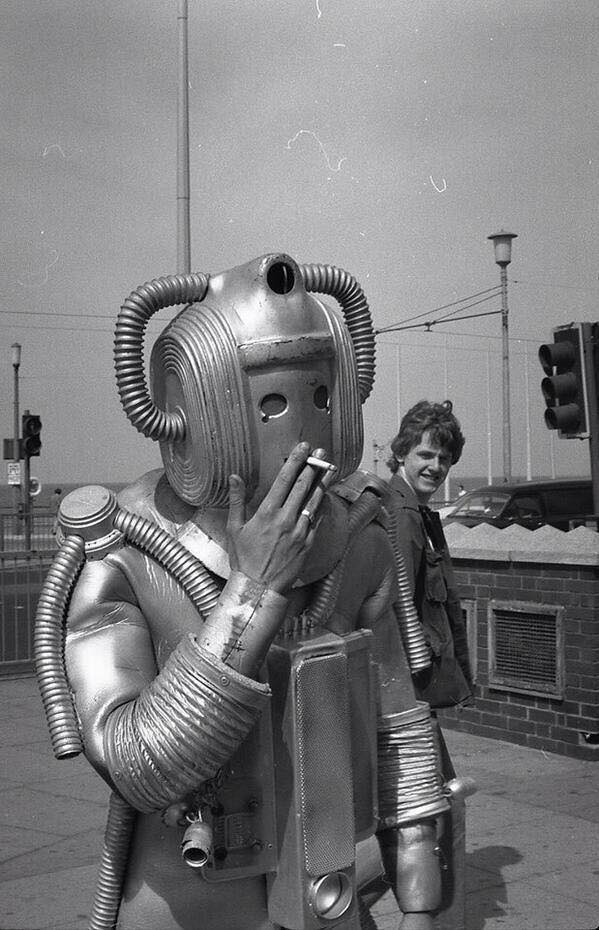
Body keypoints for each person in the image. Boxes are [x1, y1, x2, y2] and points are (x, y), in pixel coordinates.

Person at [35, 255, 459, 930]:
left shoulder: (359, 536)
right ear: (193, 409)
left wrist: (419, 896)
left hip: (326, 892)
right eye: (271, 404)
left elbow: (397, 724)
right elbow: (136, 763)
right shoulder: (124, 548)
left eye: (318, 396)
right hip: (186, 903)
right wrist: (253, 589)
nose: (299, 429)